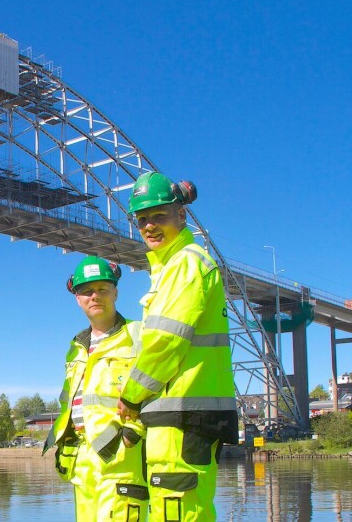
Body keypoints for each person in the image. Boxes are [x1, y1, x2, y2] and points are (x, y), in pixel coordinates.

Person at [116, 172, 238, 521]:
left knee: (179, 510)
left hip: (184, 415)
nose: (150, 226)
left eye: (159, 216)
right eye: (142, 220)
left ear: (181, 216)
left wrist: (131, 396)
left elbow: (165, 343)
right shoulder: (175, 266)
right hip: (180, 415)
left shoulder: (185, 263)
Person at [44, 256, 149, 521]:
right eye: (87, 291)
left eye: (103, 289)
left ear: (115, 292)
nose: (95, 296)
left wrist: (131, 435)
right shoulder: (76, 346)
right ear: (77, 298)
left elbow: (156, 389)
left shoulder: (138, 335)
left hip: (121, 455)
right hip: (81, 457)